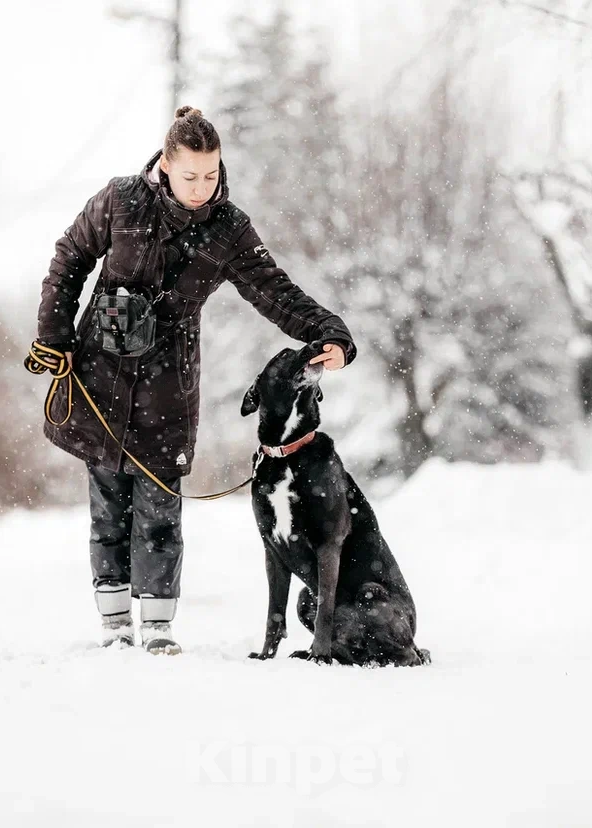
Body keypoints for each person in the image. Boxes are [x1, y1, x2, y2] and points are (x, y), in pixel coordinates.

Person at [35, 106, 357, 654]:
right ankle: (114, 626)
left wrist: (331, 331)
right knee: (108, 504)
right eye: (190, 175)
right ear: (165, 164)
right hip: (99, 375)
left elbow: (274, 291)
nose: (202, 187)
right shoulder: (119, 200)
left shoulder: (229, 229)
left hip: (168, 385)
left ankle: (158, 628)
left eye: (211, 175)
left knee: (161, 505)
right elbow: (69, 258)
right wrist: (54, 333)